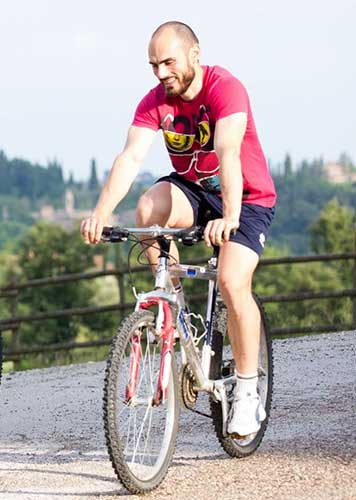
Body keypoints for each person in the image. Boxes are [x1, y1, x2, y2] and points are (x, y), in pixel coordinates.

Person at [80, 22, 276, 438]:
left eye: (168, 62)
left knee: (230, 281)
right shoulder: (156, 101)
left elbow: (227, 152)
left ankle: (245, 391)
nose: (161, 72)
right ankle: (176, 309)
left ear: (194, 54)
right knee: (149, 208)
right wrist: (100, 212)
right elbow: (130, 157)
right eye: (153, 65)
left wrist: (230, 216)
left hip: (245, 195)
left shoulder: (226, 88)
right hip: (193, 192)